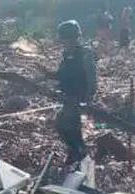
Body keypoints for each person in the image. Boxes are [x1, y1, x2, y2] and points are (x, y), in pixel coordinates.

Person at [53, 20, 96, 166]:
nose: (64, 42)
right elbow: (61, 74)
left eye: (66, 39)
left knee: (63, 123)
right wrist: (46, 74)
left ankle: (78, 151)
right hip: (67, 95)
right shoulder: (66, 54)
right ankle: (77, 151)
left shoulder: (85, 54)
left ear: (73, 38)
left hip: (78, 96)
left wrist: (89, 98)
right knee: (69, 124)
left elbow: (91, 78)